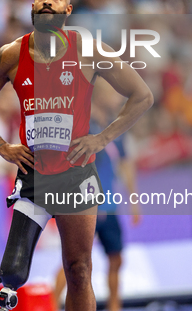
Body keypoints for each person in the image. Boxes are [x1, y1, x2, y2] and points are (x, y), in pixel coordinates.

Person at [0, 0, 153, 311]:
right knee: (12, 273)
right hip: (33, 175)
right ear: (32, 7)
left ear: (68, 10)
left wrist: (102, 138)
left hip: (75, 176)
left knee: (79, 271)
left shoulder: (88, 49)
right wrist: (2, 147)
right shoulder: (10, 55)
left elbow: (142, 96)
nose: (46, 1)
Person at [51, 80, 141, 311]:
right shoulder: (81, 126)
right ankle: (50, 303)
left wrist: (134, 201)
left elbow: (126, 165)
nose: (118, 97)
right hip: (84, 207)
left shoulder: (116, 129)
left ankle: (114, 305)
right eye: (112, 92)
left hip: (109, 206)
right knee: (76, 262)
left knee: (116, 258)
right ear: (98, 96)